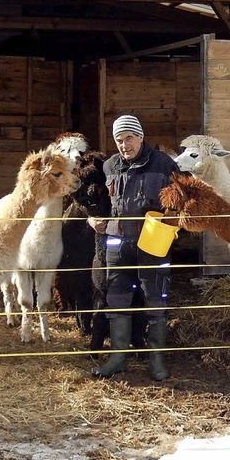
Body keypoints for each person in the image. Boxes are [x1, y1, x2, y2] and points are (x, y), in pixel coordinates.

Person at [87, 114, 180, 381]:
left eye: (129, 138)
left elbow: (182, 201)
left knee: (155, 301)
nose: (124, 145)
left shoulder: (164, 165)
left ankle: (157, 361)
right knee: (116, 300)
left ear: (140, 136)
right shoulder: (109, 167)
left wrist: (171, 224)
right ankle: (117, 358)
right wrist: (94, 220)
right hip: (117, 244)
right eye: (119, 140)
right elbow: (103, 205)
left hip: (152, 244)